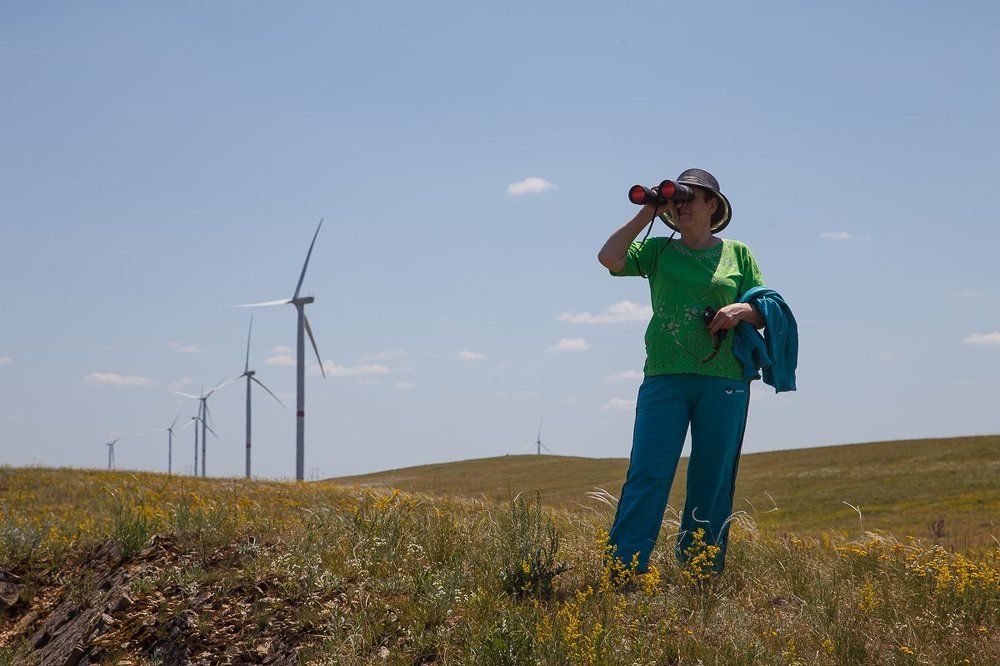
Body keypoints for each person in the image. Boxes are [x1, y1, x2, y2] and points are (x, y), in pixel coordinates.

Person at [597, 168, 767, 577]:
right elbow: (609, 257)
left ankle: (699, 571)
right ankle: (625, 569)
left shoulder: (738, 253)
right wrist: (649, 211)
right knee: (649, 472)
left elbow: (763, 311)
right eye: (676, 201)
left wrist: (740, 309)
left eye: (690, 198)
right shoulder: (658, 250)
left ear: (712, 205)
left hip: (725, 378)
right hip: (664, 375)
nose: (681, 206)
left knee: (712, 478)